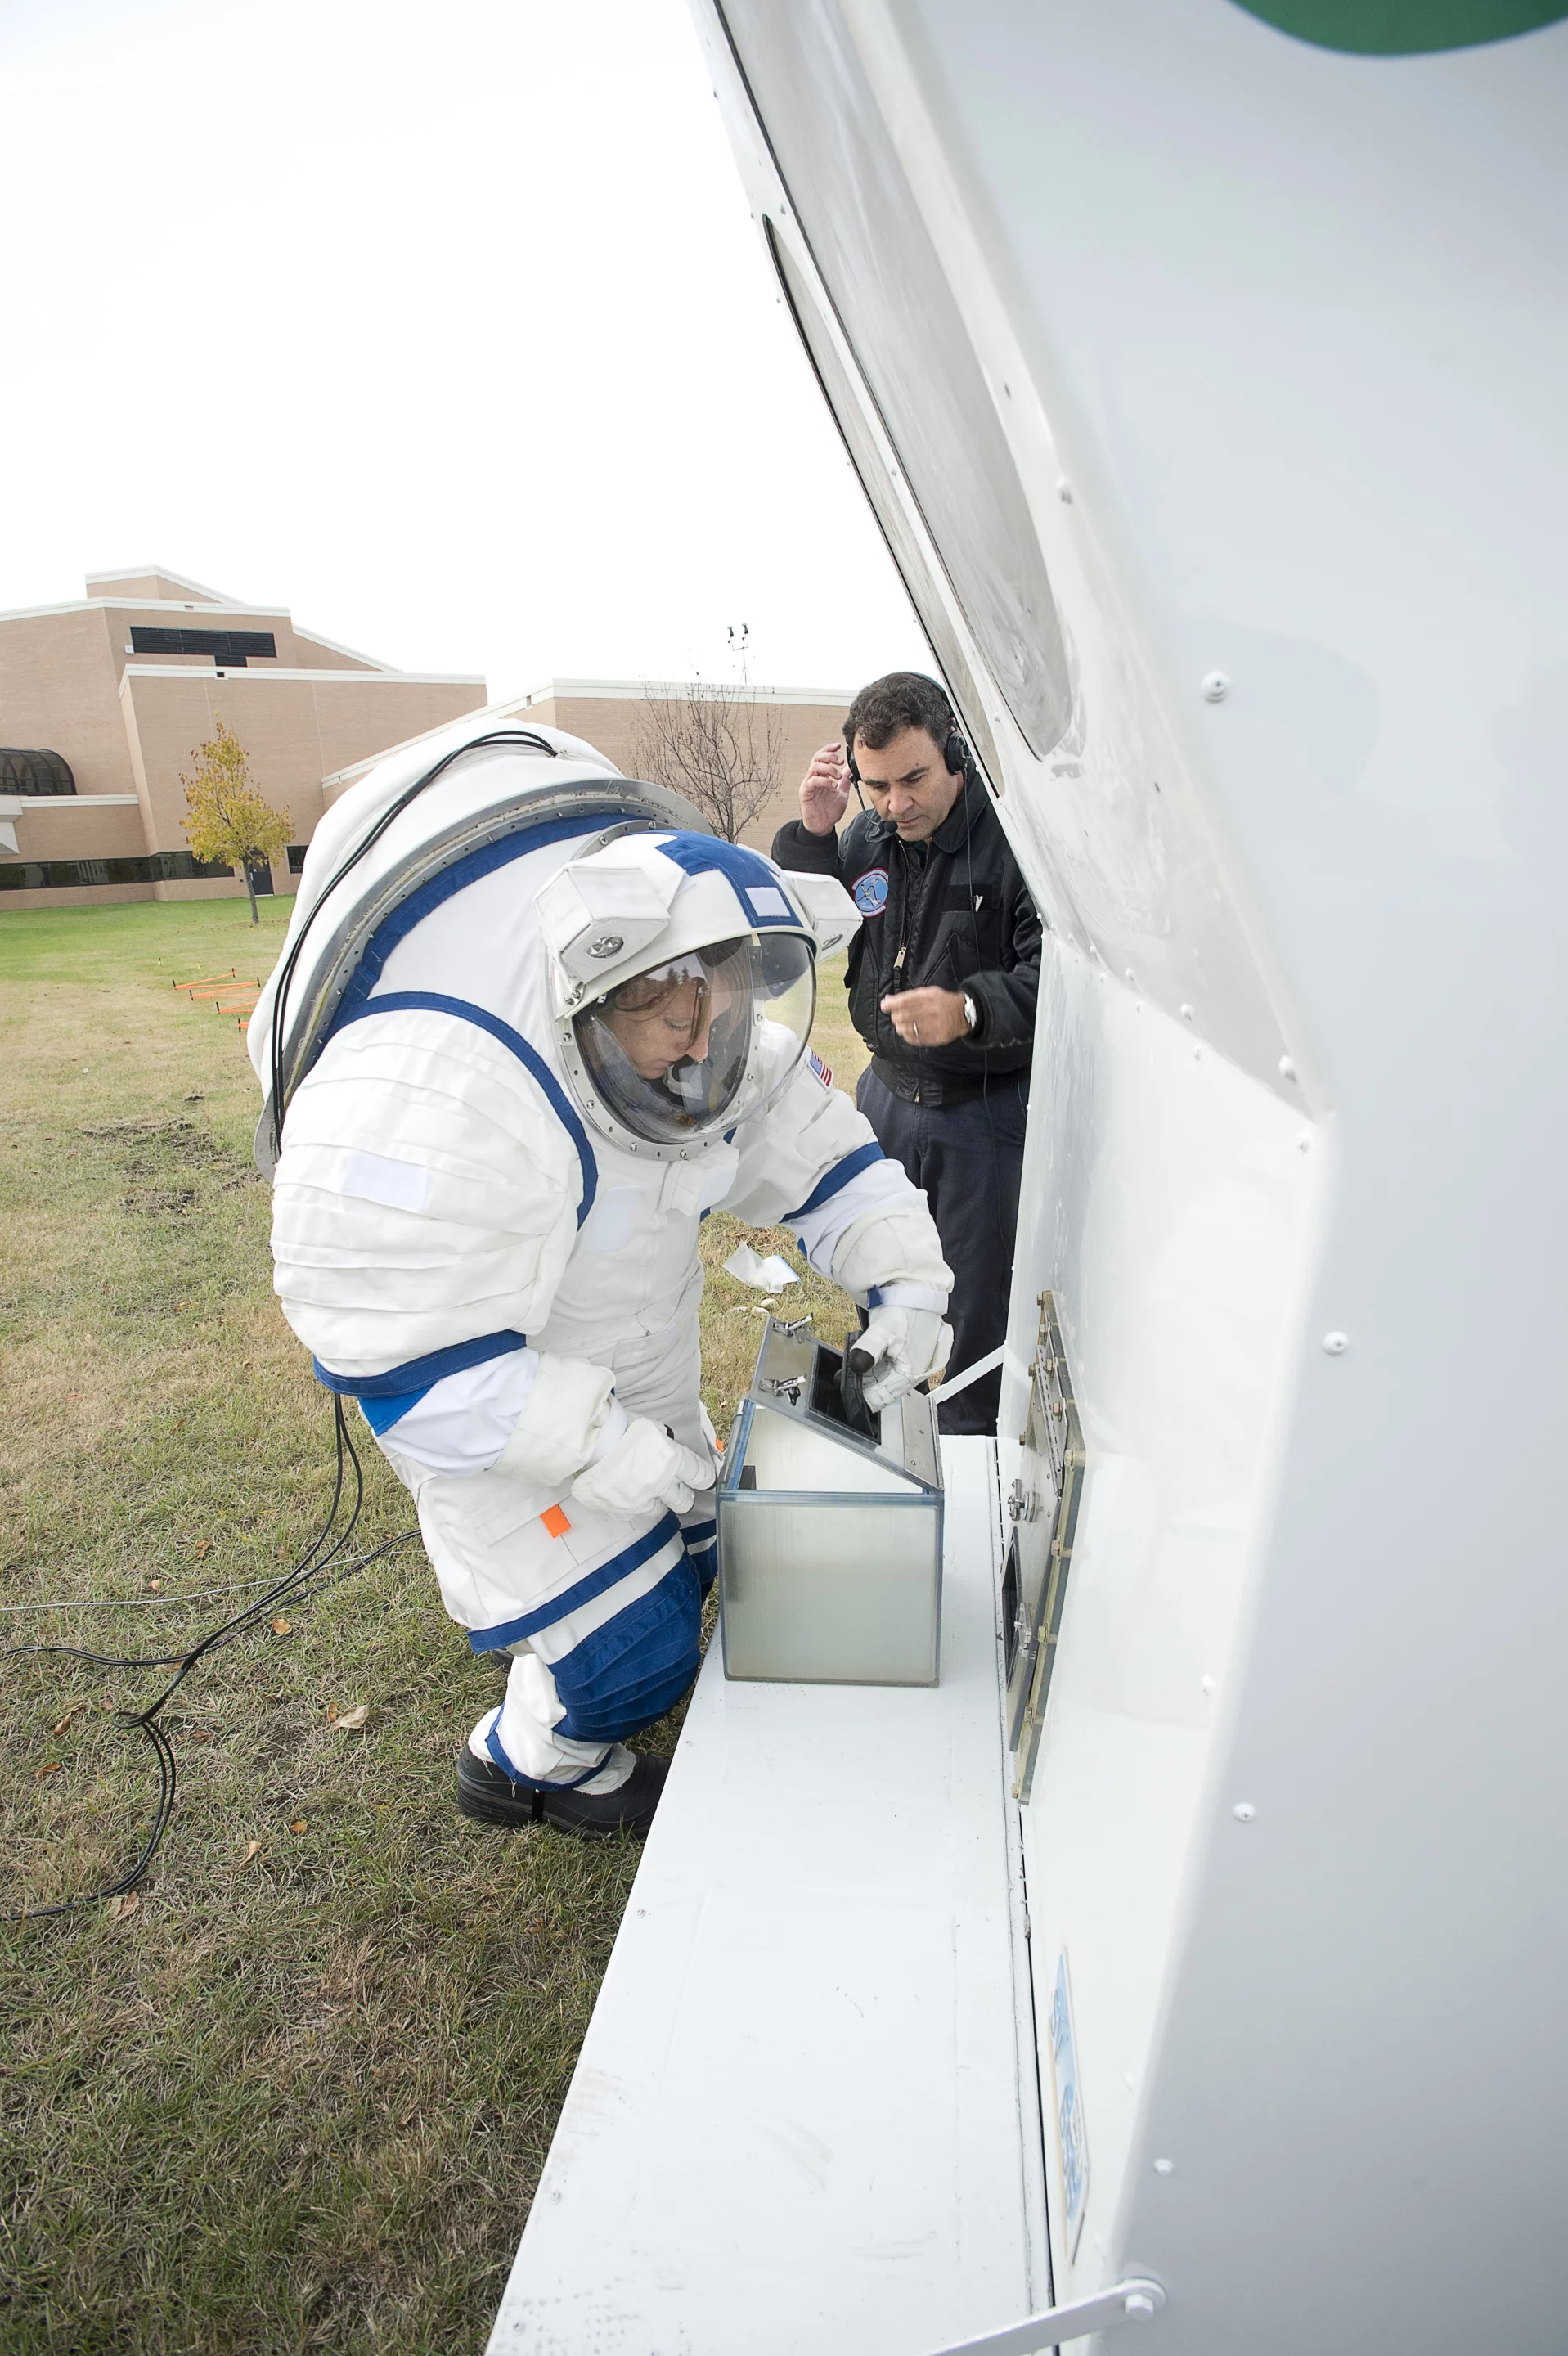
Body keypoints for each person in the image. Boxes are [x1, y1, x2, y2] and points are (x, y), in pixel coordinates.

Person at [254, 727, 953, 1842]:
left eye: (717, 995)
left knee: (711, 1544)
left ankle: (601, 1638)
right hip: (495, 1412)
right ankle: (527, 1761)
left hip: (627, 1366)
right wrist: (620, 1460)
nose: (697, 1036)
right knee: (632, 1655)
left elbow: (825, 1165)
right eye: (660, 1008)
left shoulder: (700, 1033)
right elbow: (423, 1374)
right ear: (581, 992)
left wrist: (909, 1290)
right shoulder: (450, 1090)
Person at [772, 672, 1039, 1437]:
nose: (896, 803)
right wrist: (815, 836)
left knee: (968, 1313)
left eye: (914, 779)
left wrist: (968, 1008)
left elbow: (1052, 976)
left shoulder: (1013, 840)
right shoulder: (865, 836)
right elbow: (801, 928)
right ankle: (882, 1446)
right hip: (885, 1097)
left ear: (954, 753)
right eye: (877, 785)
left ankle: (960, 1473)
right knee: (878, 1279)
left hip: (980, 1117)